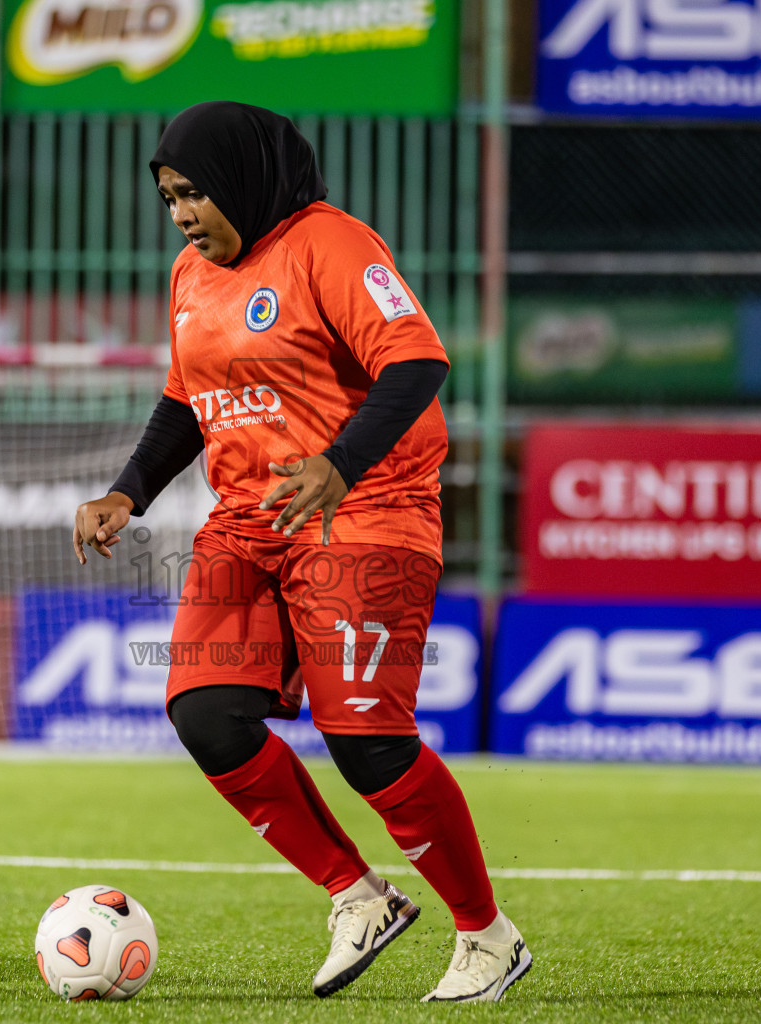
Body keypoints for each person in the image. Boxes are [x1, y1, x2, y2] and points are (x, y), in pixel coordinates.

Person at [72, 101, 530, 1003]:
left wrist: (339, 463)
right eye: (169, 198)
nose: (183, 214)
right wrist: (128, 491)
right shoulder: (189, 277)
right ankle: (358, 897)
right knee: (204, 712)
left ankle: (488, 938)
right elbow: (184, 402)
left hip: (366, 511)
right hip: (247, 521)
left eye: (196, 192)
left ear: (243, 177)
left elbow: (418, 362)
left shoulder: (331, 244)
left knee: (365, 741)